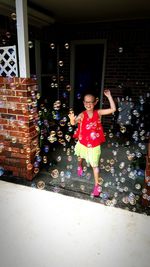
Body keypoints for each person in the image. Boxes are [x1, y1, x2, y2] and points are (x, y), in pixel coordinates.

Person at [68, 89, 116, 197]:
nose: (88, 104)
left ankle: (96, 187)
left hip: (94, 145)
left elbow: (113, 109)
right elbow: (74, 122)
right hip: (82, 142)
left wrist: (109, 96)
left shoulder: (98, 113)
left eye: (91, 102)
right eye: (86, 102)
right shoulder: (82, 114)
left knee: (95, 165)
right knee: (80, 157)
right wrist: (72, 119)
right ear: (83, 103)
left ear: (95, 102)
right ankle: (80, 166)